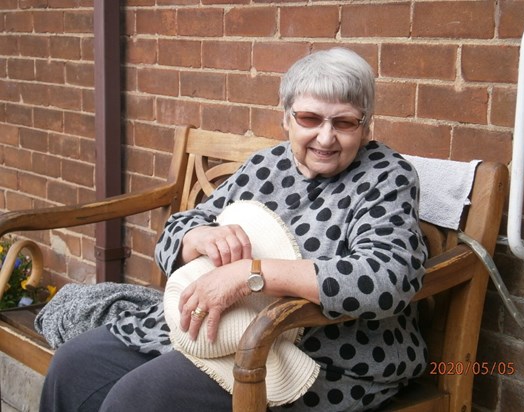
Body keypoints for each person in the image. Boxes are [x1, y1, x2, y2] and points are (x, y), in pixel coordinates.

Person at [39, 47, 428, 412]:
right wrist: (198, 238)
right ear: (286, 117)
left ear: (365, 126)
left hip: (318, 354)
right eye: (310, 119)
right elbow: (178, 229)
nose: (325, 137)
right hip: (222, 333)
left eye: (344, 122)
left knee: (140, 398)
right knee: (75, 364)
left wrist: (249, 275)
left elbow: (387, 278)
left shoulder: (385, 176)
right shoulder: (268, 165)